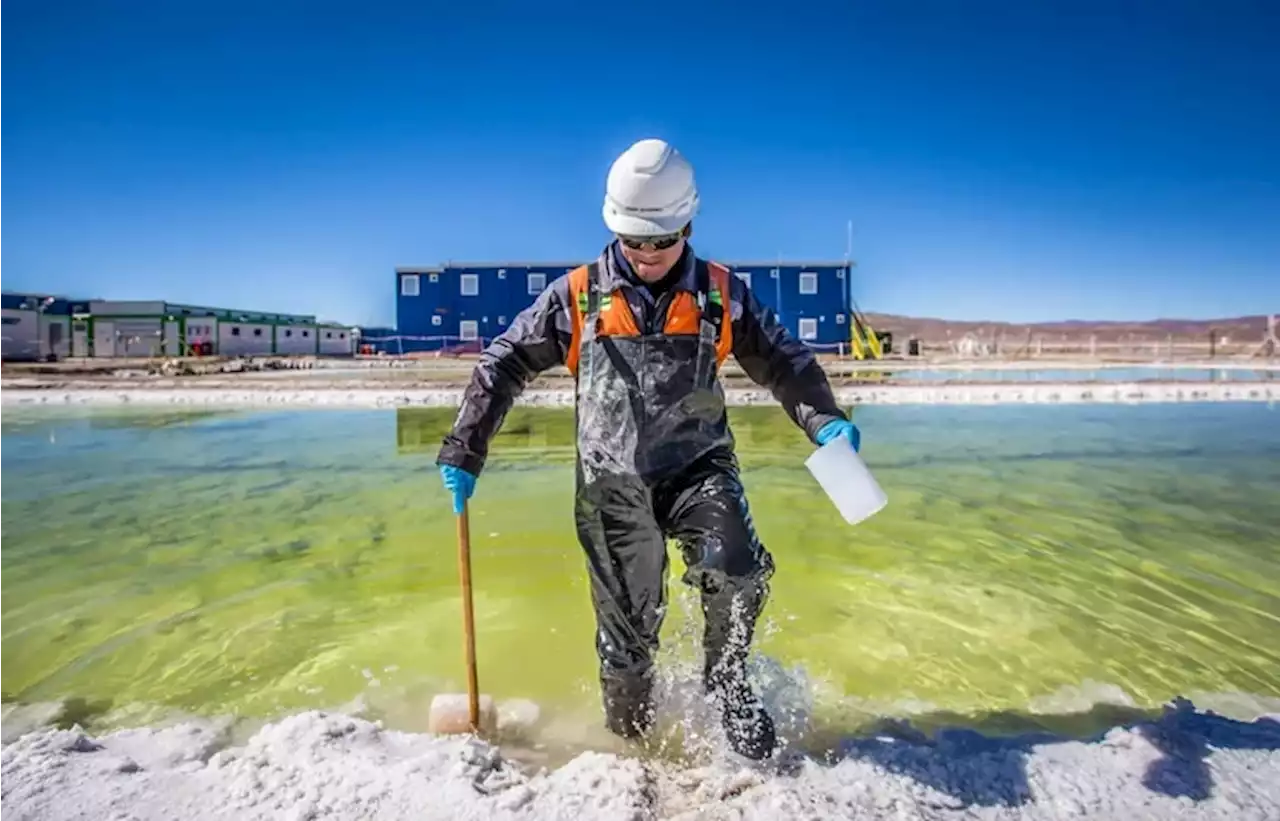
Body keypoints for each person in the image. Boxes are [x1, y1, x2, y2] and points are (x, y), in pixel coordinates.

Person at [436, 138, 861, 760]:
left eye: (661, 241)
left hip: (699, 470)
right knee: (627, 643)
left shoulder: (721, 293)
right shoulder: (578, 296)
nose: (648, 254)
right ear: (615, 228)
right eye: (636, 241)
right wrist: (464, 449)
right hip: (612, 485)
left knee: (738, 570)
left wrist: (823, 419)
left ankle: (727, 685)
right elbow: (503, 363)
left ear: (687, 224)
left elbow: (781, 359)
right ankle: (632, 747)